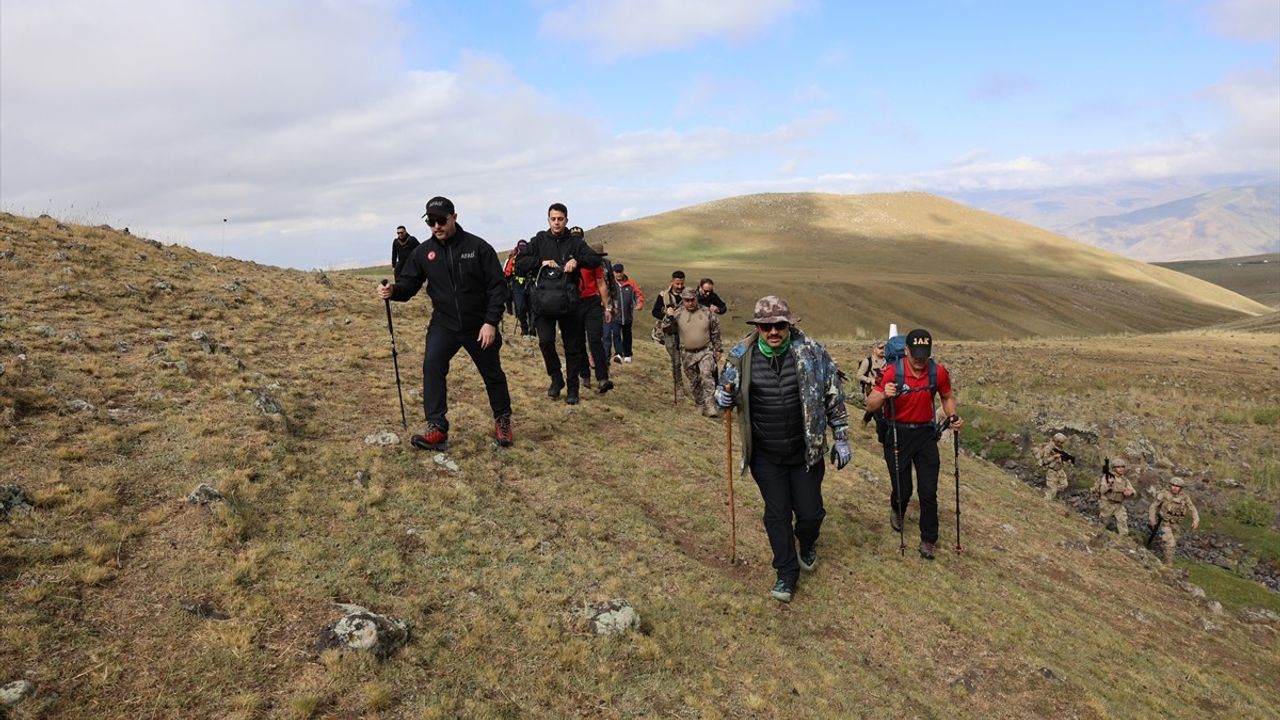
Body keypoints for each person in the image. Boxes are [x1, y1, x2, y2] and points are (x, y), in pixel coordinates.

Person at [714, 296, 851, 603]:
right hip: (766, 454)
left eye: (779, 325)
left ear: (790, 325)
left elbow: (833, 395)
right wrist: (720, 397)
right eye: (766, 326)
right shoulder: (740, 356)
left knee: (810, 513)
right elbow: (725, 387)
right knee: (776, 514)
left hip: (806, 452)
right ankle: (786, 572)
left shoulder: (813, 353)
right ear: (758, 327)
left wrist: (841, 436)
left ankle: (808, 540)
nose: (773, 332)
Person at [377, 196, 512, 450]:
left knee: (492, 372)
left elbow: (497, 287)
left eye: (441, 220)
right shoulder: (422, 253)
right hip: (444, 324)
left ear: (454, 217)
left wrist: (491, 322)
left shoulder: (478, 247)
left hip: (479, 324)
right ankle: (437, 427)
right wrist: (393, 291)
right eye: (431, 222)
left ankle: (503, 419)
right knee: (432, 365)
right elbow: (408, 285)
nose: (436, 226)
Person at [864, 328, 963, 560]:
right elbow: (870, 405)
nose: (919, 360)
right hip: (897, 433)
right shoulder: (891, 372)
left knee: (928, 492)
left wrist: (952, 416)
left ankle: (928, 539)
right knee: (903, 488)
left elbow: (947, 396)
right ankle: (898, 508)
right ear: (906, 350)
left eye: (924, 355)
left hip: (926, 436)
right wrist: (883, 395)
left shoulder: (937, 373)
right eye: (915, 354)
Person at [514, 204, 601, 405]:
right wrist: (540, 262)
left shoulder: (575, 242)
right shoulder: (539, 240)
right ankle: (556, 378)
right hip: (543, 303)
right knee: (545, 342)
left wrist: (576, 261)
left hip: (569, 304)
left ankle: (573, 389)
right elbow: (520, 262)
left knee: (572, 348)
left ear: (566, 220)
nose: (556, 222)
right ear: (548, 220)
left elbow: (594, 260)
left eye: (560, 219)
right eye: (553, 219)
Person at [672, 288, 722, 417]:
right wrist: (668, 315)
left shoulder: (706, 312)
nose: (690, 303)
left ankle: (710, 405)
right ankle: (700, 404)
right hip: (687, 353)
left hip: (705, 350)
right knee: (694, 381)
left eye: (692, 300)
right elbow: (665, 328)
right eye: (686, 300)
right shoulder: (677, 314)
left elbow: (715, 331)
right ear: (683, 300)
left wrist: (718, 349)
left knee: (706, 375)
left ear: (696, 298)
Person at [574, 236, 614, 394]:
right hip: (574, 305)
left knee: (595, 340)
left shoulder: (592, 261)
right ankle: (584, 374)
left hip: (592, 304)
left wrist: (607, 308)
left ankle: (602, 378)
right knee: (578, 342)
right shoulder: (570, 259)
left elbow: (602, 284)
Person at [652, 271, 687, 400]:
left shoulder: (688, 295)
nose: (679, 286)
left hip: (686, 333)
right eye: (677, 283)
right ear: (672, 281)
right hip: (670, 332)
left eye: (682, 283)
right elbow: (655, 312)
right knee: (675, 361)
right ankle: (679, 388)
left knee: (689, 361)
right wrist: (666, 314)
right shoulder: (663, 295)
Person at [1147, 477, 1199, 564]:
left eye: (1177, 486)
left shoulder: (1184, 497)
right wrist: (1152, 520)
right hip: (1164, 523)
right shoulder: (1164, 494)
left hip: (1176, 524)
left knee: (1173, 543)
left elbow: (1192, 508)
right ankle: (1168, 566)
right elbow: (1153, 506)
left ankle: (1165, 559)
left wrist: (1196, 519)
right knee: (1171, 543)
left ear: (1181, 488)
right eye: (1173, 485)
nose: (1174, 488)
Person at [607, 262, 644, 363]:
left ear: (623, 272)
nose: (618, 274)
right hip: (615, 316)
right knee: (616, 334)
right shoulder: (611, 284)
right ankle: (618, 353)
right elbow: (606, 296)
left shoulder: (630, 283)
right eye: (616, 272)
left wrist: (640, 303)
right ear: (613, 273)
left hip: (627, 316)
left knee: (627, 335)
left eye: (620, 272)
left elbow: (638, 294)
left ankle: (627, 354)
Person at [1093, 456, 1136, 535]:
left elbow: (1133, 491)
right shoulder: (1108, 477)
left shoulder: (1125, 480)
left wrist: (1130, 492)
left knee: (1123, 523)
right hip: (1107, 503)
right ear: (1113, 468)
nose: (1121, 469)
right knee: (1102, 524)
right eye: (1118, 467)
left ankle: (1123, 542)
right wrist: (1109, 485)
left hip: (1119, 505)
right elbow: (1102, 490)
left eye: (1123, 467)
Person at [502, 239, 534, 336]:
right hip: (517, 285)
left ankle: (532, 329)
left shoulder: (532, 259)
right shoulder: (513, 259)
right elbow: (507, 273)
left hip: (530, 284)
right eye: (521, 247)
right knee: (520, 308)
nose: (522, 249)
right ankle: (524, 328)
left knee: (532, 309)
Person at [856, 340, 887, 424]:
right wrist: (870, 380)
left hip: (884, 390)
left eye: (884, 348)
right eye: (880, 348)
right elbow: (859, 375)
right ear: (874, 349)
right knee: (878, 412)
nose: (883, 350)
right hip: (871, 390)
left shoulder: (887, 361)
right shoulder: (867, 361)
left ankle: (864, 422)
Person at [1036, 433, 1073, 500]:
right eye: (1061, 442)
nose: (1062, 444)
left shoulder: (1059, 447)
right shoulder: (1048, 448)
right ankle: (1046, 499)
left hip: (1060, 470)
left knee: (1064, 485)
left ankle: (1049, 491)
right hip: (1052, 471)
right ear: (1057, 441)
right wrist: (1054, 457)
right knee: (1052, 490)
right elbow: (1045, 461)